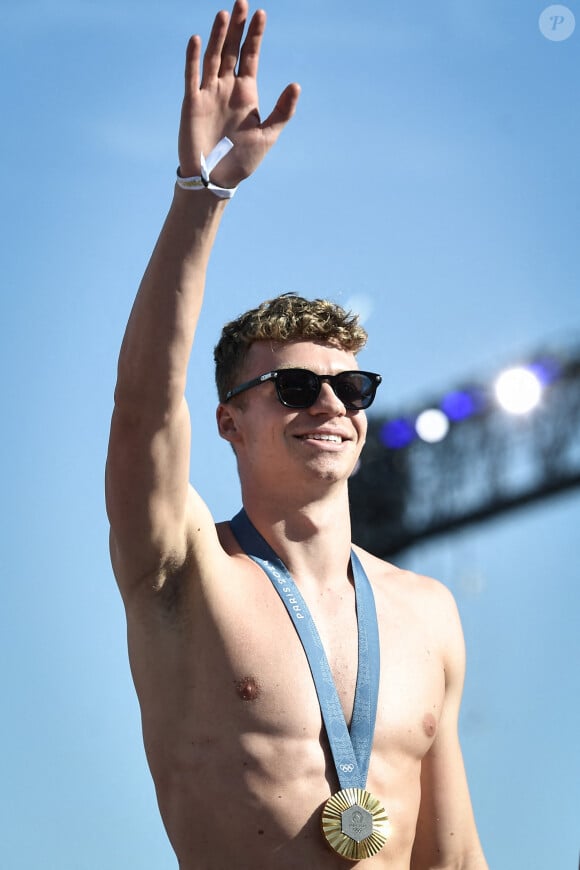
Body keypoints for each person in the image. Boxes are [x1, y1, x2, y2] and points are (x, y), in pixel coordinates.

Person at [105, 2, 488, 867]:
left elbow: (455, 857)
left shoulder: (429, 614)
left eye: (350, 386)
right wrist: (204, 192)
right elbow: (142, 410)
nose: (329, 405)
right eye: (294, 386)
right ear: (229, 422)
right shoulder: (187, 570)